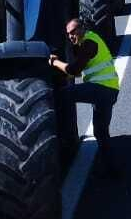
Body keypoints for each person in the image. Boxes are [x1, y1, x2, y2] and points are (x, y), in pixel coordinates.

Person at [50, 18, 120, 176]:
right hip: (109, 90)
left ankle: (59, 138)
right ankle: (112, 170)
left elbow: (74, 70)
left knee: (63, 95)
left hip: (101, 89)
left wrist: (54, 62)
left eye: (73, 32)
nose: (71, 36)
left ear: (82, 28)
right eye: (68, 34)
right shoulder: (88, 41)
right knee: (100, 132)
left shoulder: (89, 42)